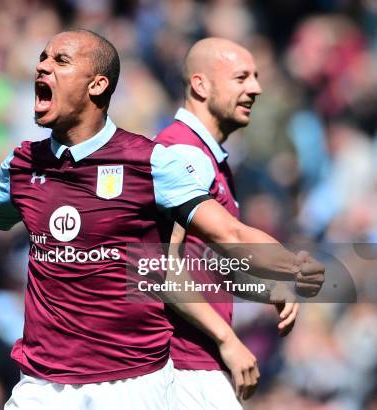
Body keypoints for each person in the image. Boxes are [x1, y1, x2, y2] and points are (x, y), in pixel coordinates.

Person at [0, 30, 322, 409]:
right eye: (43, 59)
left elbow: (227, 235)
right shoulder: (25, 164)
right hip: (42, 386)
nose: (42, 66)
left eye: (60, 61)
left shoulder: (151, 161)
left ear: (97, 84)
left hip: (133, 386)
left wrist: (286, 269)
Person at [155, 37, 303, 409]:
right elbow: (160, 268)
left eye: (255, 76)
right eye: (241, 77)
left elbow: (202, 261)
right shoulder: (181, 154)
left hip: (196, 366)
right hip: (178, 368)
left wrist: (263, 287)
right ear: (200, 84)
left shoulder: (210, 158)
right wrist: (227, 339)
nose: (256, 88)